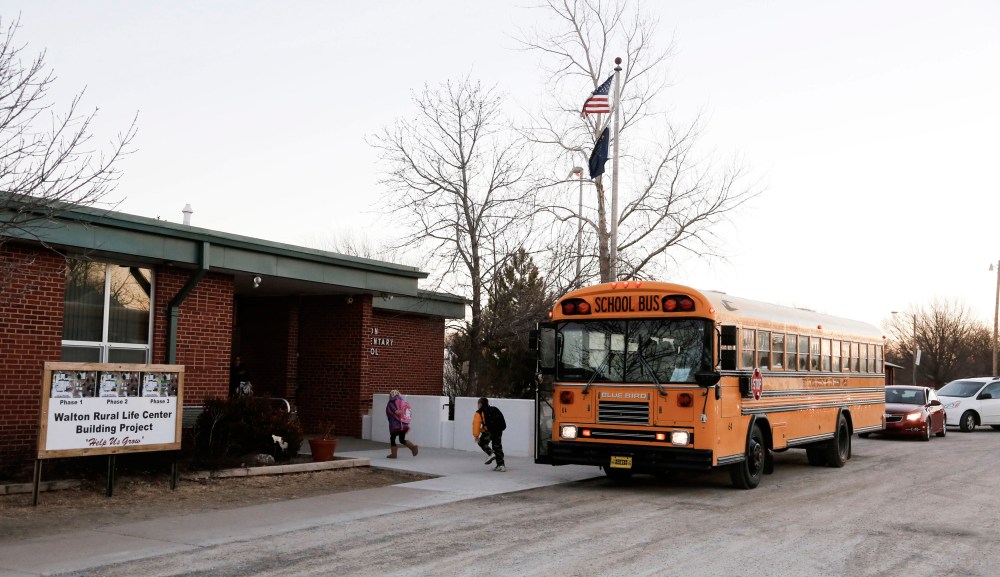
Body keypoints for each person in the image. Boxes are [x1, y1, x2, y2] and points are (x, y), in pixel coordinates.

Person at [473, 397, 505, 472]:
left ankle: (491, 453)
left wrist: (476, 436)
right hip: (498, 430)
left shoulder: (479, 412)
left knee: (481, 442)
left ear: (480, 404)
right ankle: (501, 465)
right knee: (497, 447)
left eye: (478, 403)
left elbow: (476, 424)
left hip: (489, 431)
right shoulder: (494, 409)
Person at [386, 389, 418, 458]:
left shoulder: (391, 403)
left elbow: (397, 412)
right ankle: (413, 447)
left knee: (392, 438)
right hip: (404, 425)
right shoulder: (403, 402)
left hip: (396, 425)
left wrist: (399, 413)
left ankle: (393, 454)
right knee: (402, 440)